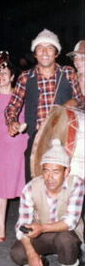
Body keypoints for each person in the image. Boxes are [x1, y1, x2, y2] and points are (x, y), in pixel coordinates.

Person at [5, 29, 85, 182]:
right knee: (35, 185)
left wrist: (73, 102)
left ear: (56, 53)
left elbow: (82, 102)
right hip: (36, 139)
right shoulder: (25, 77)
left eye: (50, 47)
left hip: (65, 138)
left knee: (63, 189)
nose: (45, 52)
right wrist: (12, 121)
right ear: (35, 54)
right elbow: (12, 107)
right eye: (40, 48)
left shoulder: (68, 73)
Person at [10, 139, 84, 266]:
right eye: (46, 171)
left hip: (65, 234)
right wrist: (31, 253)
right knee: (17, 253)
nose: (50, 177)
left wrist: (42, 228)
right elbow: (21, 224)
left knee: (66, 239)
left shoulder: (76, 184)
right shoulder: (31, 188)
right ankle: (39, 262)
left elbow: (70, 222)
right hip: (41, 235)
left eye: (56, 171)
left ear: (66, 171)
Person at [0, 62, 28, 242]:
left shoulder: (22, 97)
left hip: (21, 144)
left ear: (13, 77)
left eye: (5, 73)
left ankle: (23, 223)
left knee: (23, 185)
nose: (0, 76)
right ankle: (0, 225)